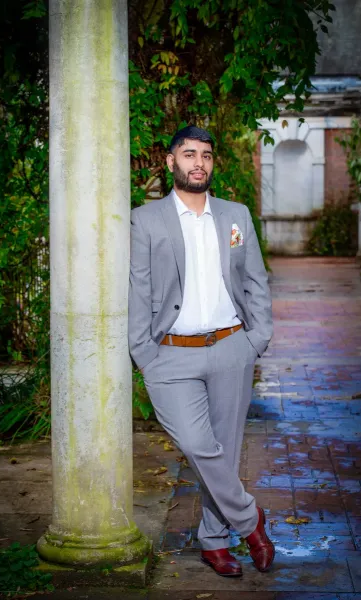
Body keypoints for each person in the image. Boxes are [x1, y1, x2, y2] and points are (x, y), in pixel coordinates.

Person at [128, 126, 275, 577]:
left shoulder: (235, 215)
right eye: (188, 154)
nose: (198, 163)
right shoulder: (145, 220)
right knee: (197, 445)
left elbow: (254, 279)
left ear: (212, 164)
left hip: (232, 347)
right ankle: (250, 521)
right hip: (170, 355)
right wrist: (144, 353)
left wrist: (257, 338)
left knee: (224, 452)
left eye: (206, 156)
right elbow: (138, 289)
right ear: (171, 161)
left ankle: (215, 541)